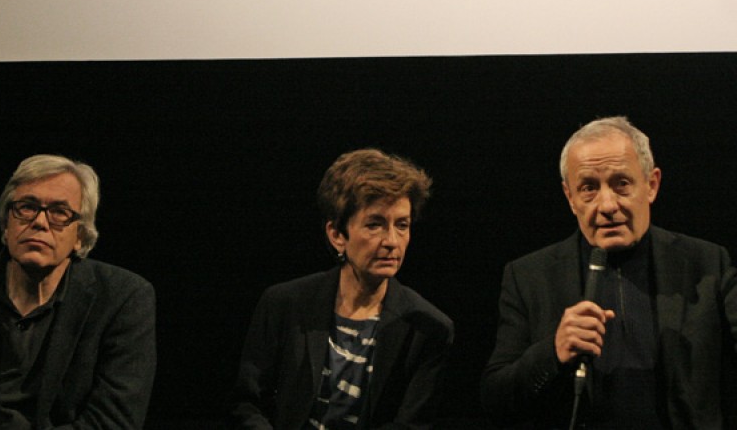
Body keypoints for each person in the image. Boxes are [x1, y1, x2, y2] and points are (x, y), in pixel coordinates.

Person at [481, 116, 737, 428]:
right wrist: (553, 351)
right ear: (570, 198)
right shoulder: (529, 276)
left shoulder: (706, 263)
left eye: (622, 184)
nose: (607, 204)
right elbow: (495, 399)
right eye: (589, 188)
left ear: (651, 185)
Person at [230, 148, 454, 429]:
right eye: (375, 225)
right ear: (337, 234)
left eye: (402, 225)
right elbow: (247, 404)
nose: (392, 241)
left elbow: (411, 425)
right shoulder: (284, 304)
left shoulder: (428, 328)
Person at [0, 154, 156, 429]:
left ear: (80, 235)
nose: (40, 222)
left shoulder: (124, 298)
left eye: (59, 212)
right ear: (7, 224)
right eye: (26, 207)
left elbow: (113, 420)